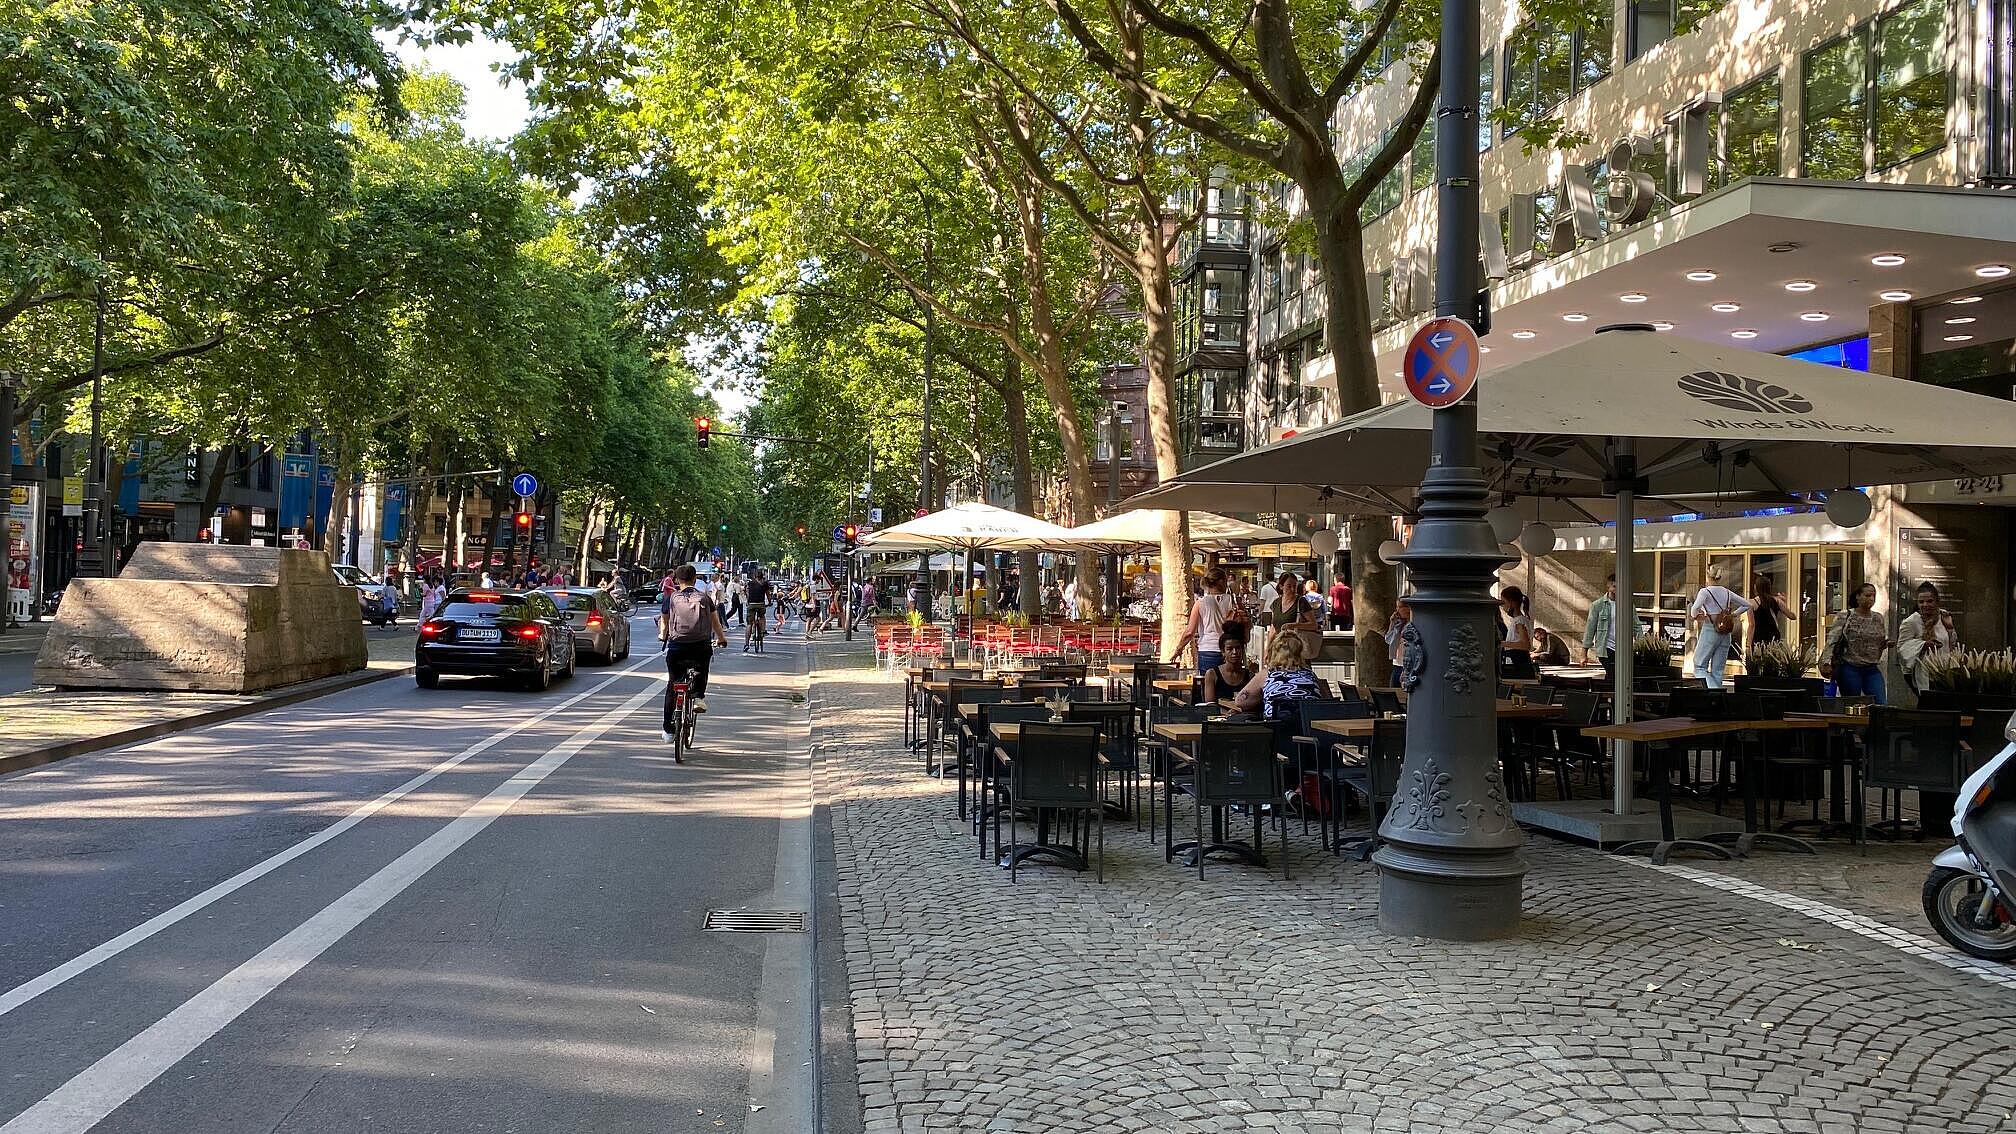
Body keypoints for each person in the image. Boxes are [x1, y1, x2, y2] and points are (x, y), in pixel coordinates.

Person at [659, 564, 729, 743]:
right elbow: (715, 623)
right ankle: (698, 696)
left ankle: (668, 730)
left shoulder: (671, 598)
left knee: (672, 686)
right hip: (700, 646)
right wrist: (721, 639)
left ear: (677, 580)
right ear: (695, 579)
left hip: (676, 647)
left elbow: (664, 622)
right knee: (702, 666)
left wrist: (662, 635)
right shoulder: (705, 598)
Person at [1821, 582, 1891, 701]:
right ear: (1858, 596)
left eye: (1873, 596)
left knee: (1880, 702)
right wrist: (1827, 662)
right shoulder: (1846, 616)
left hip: (1871, 667)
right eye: (1867, 595)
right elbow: (1833, 640)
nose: (1871, 599)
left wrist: (1885, 644)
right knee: (1852, 702)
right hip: (1850, 666)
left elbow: (1877, 642)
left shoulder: (1878, 618)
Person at [1233, 630, 1323, 720]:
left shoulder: (1268, 673)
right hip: (1309, 726)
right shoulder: (1310, 674)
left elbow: (1240, 702)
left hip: (1277, 726)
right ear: (1300, 652)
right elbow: (1326, 700)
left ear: (1274, 652)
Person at [1687, 565, 1752, 689]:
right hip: (1726, 633)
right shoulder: (1727, 592)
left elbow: (1694, 608)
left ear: (1707, 576)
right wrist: (1733, 615)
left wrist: (1695, 616)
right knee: (1718, 670)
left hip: (1710, 629)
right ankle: (1718, 700)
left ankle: (1715, 692)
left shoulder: (1705, 592)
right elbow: (1746, 604)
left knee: (1699, 666)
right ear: (1720, 577)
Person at [1166, 567, 1238, 676]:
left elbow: (1190, 632)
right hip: (1230, 650)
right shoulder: (1233, 601)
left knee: (1207, 685)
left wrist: (1179, 649)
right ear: (1222, 581)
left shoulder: (1200, 603)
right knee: (1229, 686)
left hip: (1207, 649)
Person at [1896, 581, 1958, 695]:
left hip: (1944, 672)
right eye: (1921, 602)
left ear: (1937, 601)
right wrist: (1923, 645)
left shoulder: (1943, 617)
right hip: (1923, 673)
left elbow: (1952, 645)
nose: (1925, 605)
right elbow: (1901, 648)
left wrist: (1950, 628)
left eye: (1930, 601)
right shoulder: (1911, 622)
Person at [1200, 624, 1257, 704]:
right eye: (1229, 649)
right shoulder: (1212, 675)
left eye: (1237, 648)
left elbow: (1253, 703)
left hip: (1242, 715)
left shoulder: (1250, 676)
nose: (1234, 652)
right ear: (1223, 651)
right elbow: (1210, 706)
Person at [1581, 574, 1619, 681]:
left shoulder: (1627, 604)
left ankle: (1609, 695)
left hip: (1622, 648)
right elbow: (1590, 629)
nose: (1616, 588)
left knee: (1617, 676)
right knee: (1613, 673)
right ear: (1608, 585)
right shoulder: (1598, 605)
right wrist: (1584, 654)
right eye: (1613, 585)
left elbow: (1636, 626)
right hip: (1606, 647)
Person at [1499, 585, 1536, 679]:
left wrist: (1502, 643)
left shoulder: (1519, 621)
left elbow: (1525, 645)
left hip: (1518, 662)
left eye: (1504, 602)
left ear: (1512, 603)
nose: (1503, 606)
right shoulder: (1517, 620)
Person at [1749, 574, 1787, 648]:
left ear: (1756, 588)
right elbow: (1792, 616)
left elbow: (1751, 625)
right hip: (1773, 636)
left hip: (1758, 637)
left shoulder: (1752, 602)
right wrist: (1785, 601)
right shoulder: (1776, 601)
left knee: (1758, 658)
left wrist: (1748, 644)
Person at [1384, 598, 1415, 686]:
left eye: (1400, 607)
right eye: (1397, 607)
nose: (1397, 610)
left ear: (1408, 608)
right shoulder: (1400, 624)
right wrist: (1392, 623)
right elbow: (1388, 640)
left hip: (1406, 665)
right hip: (1397, 664)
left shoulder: (1413, 625)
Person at [744, 569, 772, 653]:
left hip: (751, 604)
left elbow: (747, 593)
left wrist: (748, 600)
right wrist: (770, 602)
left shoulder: (750, 583)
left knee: (749, 624)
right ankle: (763, 631)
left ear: (754, 576)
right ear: (762, 576)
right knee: (762, 616)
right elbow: (768, 594)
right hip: (761, 604)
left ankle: (746, 644)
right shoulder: (765, 583)